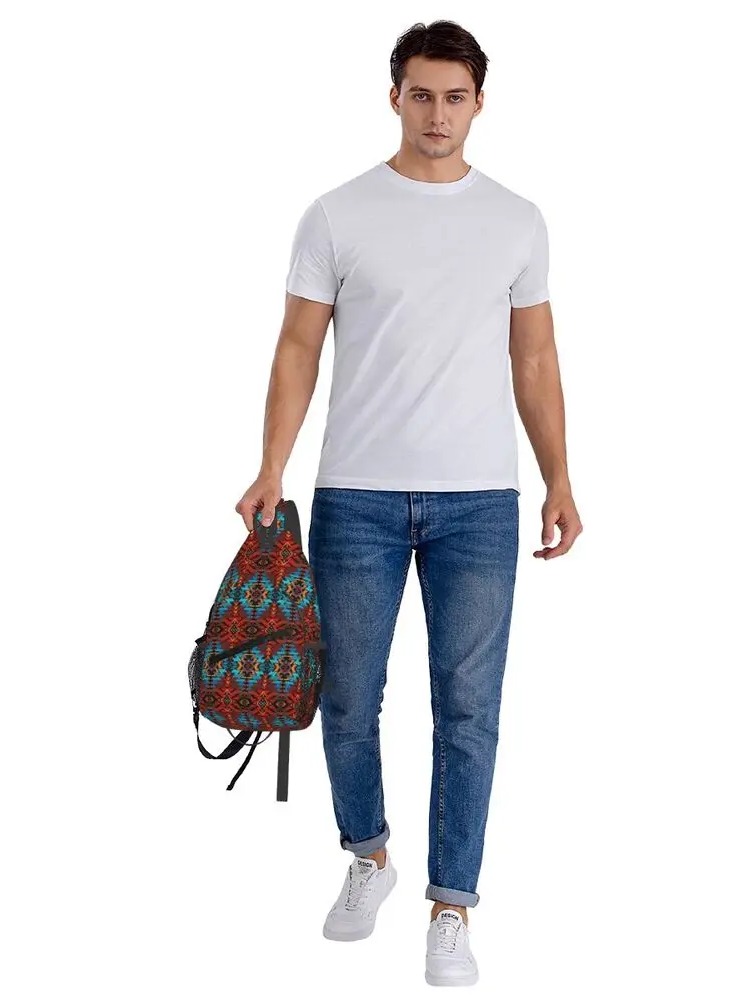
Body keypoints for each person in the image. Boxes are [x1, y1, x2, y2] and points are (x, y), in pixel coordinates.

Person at [236, 19, 582, 988]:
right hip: (356, 495)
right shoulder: (337, 214)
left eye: (454, 97)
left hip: (481, 500)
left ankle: (452, 905)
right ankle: (369, 854)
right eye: (421, 95)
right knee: (345, 697)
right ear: (394, 97)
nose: (437, 114)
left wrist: (559, 476)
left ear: (479, 103)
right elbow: (297, 346)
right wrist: (270, 465)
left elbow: (535, 357)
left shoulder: (516, 220)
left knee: (469, 709)